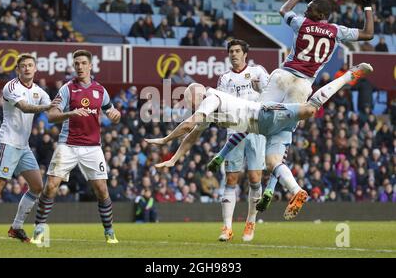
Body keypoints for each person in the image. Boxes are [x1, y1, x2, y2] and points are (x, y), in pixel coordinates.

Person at [210, 0, 375, 215]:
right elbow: (368, 33)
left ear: (313, 12)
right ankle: (283, 188)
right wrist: (367, 4)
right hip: (304, 85)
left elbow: (283, 9)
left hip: (284, 76)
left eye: (309, 8)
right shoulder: (336, 31)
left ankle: (221, 154)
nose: (306, 10)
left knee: (254, 116)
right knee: (278, 144)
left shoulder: (301, 23)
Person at [146, 62, 373, 221]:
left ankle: (348, 75)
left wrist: (165, 140)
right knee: (274, 162)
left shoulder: (210, 97)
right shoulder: (209, 111)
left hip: (264, 116)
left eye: (190, 102)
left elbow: (188, 124)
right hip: (268, 128)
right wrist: (174, 159)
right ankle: (296, 191)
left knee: (310, 109)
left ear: (196, 95)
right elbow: (192, 135)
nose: (191, 106)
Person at [30, 50, 121, 244]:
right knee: (51, 186)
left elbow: (111, 111)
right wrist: (71, 113)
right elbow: (52, 116)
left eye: (82, 63)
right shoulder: (67, 89)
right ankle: (39, 229)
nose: (79, 66)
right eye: (76, 63)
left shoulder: (100, 90)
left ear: (90, 66)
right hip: (68, 145)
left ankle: (109, 232)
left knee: (102, 190)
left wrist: (116, 116)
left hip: (93, 148)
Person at [0, 53, 60, 242]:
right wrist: (47, 108)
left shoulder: (38, 90)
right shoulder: (11, 87)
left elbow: (54, 109)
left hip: (23, 147)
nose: (27, 68)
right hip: (6, 143)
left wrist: (71, 112)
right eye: (23, 66)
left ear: (35, 68)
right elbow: (25, 107)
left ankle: (16, 227)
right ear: (18, 70)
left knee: (37, 186)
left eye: (30, 65)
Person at [212, 39, 268, 242]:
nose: (233, 54)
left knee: (255, 178)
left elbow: (272, 96)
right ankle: (227, 228)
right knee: (231, 179)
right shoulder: (225, 79)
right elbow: (221, 103)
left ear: (245, 54)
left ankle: (250, 222)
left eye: (237, 51)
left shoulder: (258, 72)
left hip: (256, 131)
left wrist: (261, 90)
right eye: (231, 51)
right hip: (234, 131)